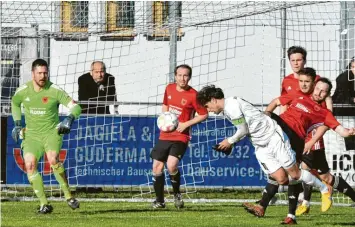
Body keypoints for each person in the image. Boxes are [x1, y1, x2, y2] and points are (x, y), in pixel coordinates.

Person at [196, 85, 334, 217]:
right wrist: (230, 143)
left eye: (207, 106)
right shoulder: (228, 108)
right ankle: (284, 208)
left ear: (213, 100)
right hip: (260, 145)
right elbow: (245, 129)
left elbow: (243, 130)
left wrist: (229, 141)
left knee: (295, 173)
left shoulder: (231, 106)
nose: (209, 110)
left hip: (273, 136)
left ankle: (323, 190)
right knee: (281, 178)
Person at [244, 77, 355, 223]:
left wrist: (349, 132)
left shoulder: (325, 113)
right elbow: (277, 101)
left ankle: (287, 214)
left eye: (323, 92)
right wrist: (267, 114)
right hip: (280, 130)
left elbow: (341, 131)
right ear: (314, 87)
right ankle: (270, 209)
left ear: (327, 94)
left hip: (294, 139)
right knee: (279, 173)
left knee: (294, 176)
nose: (319, 93)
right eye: (317, 89)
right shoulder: (299, 96)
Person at [11, 59, 82, 214]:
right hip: (32, 135)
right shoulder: (23, 90)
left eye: (45, 73)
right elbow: (15, 103)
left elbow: (76, 106)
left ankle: (68, 195)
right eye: (40, 73)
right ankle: (44, 204)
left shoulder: (54, 90)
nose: (43, 76)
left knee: (53, 159)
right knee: (29, 165)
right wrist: (17, 124)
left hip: (51, 133)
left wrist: (69, 118)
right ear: (33, 74)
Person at [150, 64, 208, 209]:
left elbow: (204, 114)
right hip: (165, 134)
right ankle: (160, 201)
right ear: (175, 76)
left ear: (189, 77)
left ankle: (177, 195)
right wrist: (164, 119)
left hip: (181, 136)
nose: (183, 78)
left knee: (171, 165)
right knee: (157, 167)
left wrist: (186, 124)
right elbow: (165, 105)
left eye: (186, 75)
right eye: (180, 75)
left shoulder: (194, 95)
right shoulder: (169, 88)